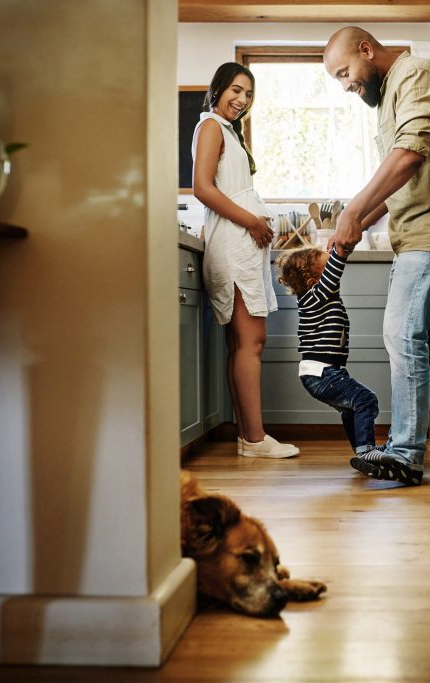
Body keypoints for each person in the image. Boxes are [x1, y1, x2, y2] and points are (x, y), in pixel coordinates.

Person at [322, 27, 430, 485]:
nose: (347, 85)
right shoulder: (391, 91)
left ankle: (406, 454)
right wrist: (354, 225)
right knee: (401, 335)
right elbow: (399, 181)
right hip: (415, 235)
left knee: (401, 334)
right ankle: (403, 449)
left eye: (346, 73)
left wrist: (354, 210)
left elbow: (410, 155)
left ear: (367, 50)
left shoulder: (416, 73)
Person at [192, 62, 299, 459]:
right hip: (234, 246)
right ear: (218, 89)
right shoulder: (211, 128)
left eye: (249, 94)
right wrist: (252, 221)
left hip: (240, 244)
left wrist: (257, 222)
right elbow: (202, 187)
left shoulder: (228, 133)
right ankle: (254, 439)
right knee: (251, 341)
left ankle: (249, 438)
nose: (241, 100)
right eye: (235, 90)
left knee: (243, 341)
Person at [275, 246, 380, 457]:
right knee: (366, 400)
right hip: (322, 373)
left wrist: (333, 248)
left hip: (324, 372)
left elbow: (331, 274)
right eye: (327, 267)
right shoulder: (315, 296)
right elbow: (335, 272)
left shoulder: (316, 298)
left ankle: (362, 453)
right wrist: (341, 250)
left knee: (351, 407)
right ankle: (366, 452)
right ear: (315, 282)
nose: (334, 276)